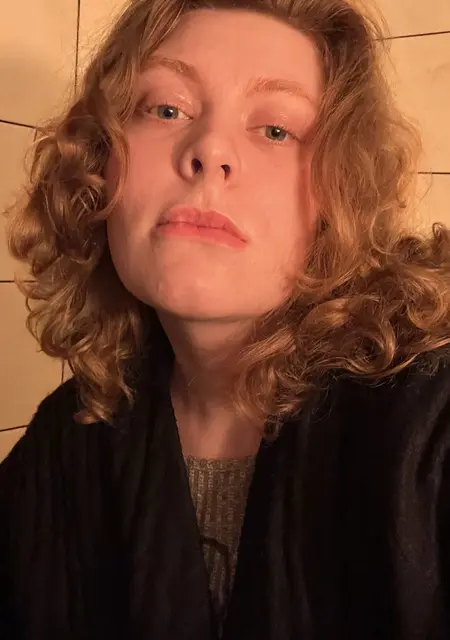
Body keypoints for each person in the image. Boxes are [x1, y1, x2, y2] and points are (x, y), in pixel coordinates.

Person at [1, 0, 450, 637]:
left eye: (276, 130)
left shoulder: (432, 425)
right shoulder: (65, 442)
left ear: (338, 195)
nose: (209, 148)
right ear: (100, 167)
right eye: (166, 109)